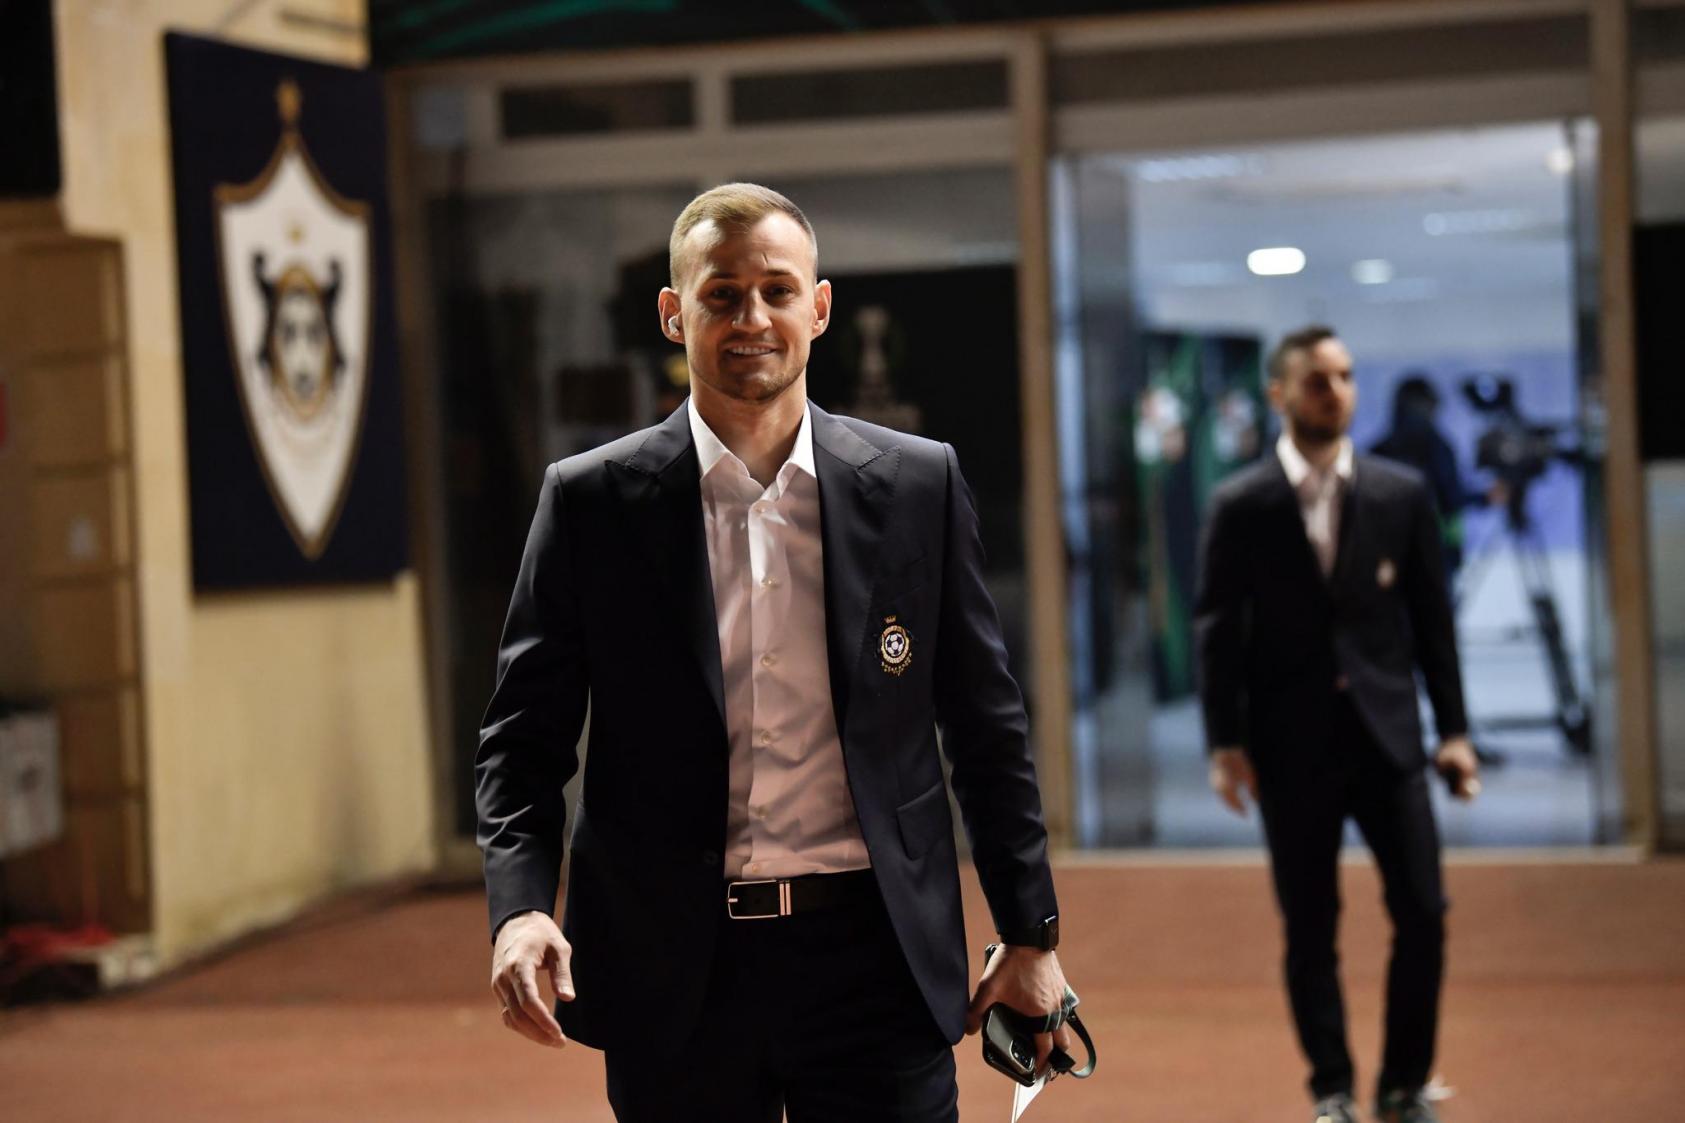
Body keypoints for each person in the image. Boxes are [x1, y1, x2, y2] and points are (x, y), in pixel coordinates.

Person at [476, 183, 1073, 1122]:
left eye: (776, 290)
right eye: (720, 294)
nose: (751, 317)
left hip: (875, 958)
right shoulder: (591, 503)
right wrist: (519, 909)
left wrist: (1029, 934)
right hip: (677, 967)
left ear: (818, 307)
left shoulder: (916, 485)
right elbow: (521, 741)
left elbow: (985, 726)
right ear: (674, 313)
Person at [1193, 326, 1480, 1123]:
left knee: (1423, 910)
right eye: (1317, 379)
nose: (1335, 391)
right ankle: (1331, 1089)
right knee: (1310, 925)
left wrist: (1453, 730)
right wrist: (1223, 744)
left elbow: (1432, 622)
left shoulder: (1400, 493)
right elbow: (1216, 629)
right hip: (1291, 746)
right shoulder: (1241, 504)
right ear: (1279, 393)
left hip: (1389, 738)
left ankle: (1402, 1082)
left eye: (1345, 376)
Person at [1370, 374, 1506, 578]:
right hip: (1436, 555)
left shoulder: (1379, 451)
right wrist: (1486, 497)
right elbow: (1451, 496)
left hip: (1388, 560)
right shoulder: (1437, 447)